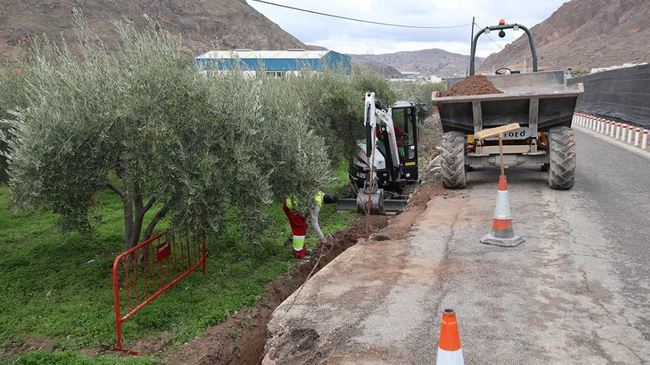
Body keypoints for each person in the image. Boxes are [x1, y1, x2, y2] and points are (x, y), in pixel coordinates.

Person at [283, 192, 327, 260]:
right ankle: (298, 253)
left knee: (302, 228)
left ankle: (303, 249)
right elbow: (314, 223)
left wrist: (304, 219)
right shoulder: (316, 204)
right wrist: (322, 238)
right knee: (299, 230)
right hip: (292, 208)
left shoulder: (319, 193)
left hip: (293, 206)